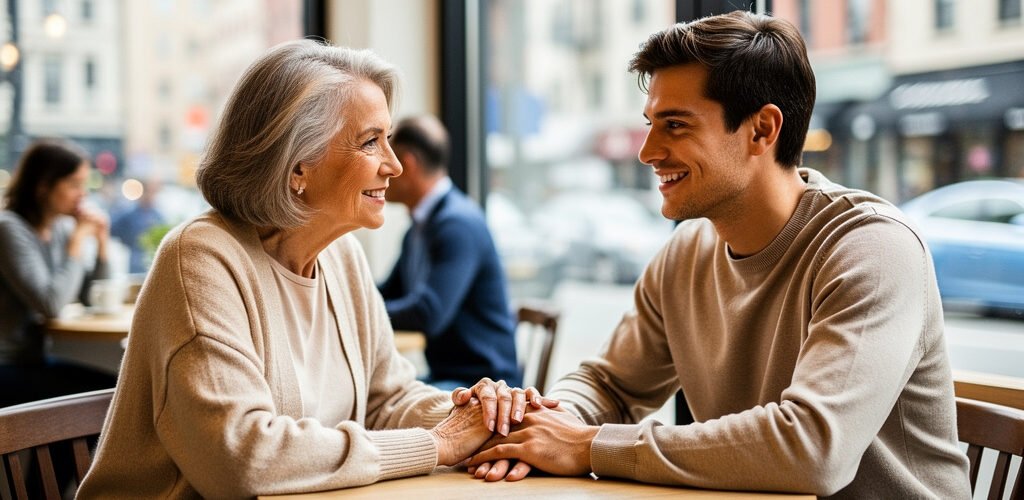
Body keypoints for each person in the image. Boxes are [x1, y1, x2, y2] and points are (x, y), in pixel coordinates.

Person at [466, 10, 972, 498]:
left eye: (676, 125)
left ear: (762, 130)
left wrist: (587, 445)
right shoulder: (686, 252)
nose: (647, 151)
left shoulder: (872, 248)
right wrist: (542, 424)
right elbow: (611, 384)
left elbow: (815, 448)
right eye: (650, 123)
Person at [78, 40, 549, 498]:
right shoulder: (201, 257)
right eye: (370, 142)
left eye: (388, 139)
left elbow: (386, 399)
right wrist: (439, 443)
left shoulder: (341, 256)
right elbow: (241, 458)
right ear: (296, 166)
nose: (394, 166)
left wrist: (482, 415)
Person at [379, 114, 520, 390]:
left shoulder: (457, 225)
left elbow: (428, 313)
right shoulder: (420, 228)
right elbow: (388, 291)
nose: (381, 171)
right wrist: (343, 300)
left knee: (383, 402)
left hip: (485, 385)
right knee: (376, 396)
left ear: (407, 164)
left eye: (388, 160)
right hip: (449, 377)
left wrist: (360, 314)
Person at [0, 139, 117, 408]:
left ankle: (74, 452)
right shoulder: (8, 229)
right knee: (101, 399)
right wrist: (77, 243)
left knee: (114, 390)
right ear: (43, 186)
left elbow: (90, 296)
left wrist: (102, 244)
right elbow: (50, 303)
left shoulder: (61, 228)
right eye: (74, 184)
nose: (83, 194)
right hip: (7, 363)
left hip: (32, 360)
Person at [110, 180, 165, 273]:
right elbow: (113, 228)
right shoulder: (129, 213)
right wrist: (126, 240)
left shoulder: (158, 215)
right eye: (148, 192)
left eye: (153, 193)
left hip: (152, 260)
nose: (151, 196)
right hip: (135, 260)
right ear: (142, 193)